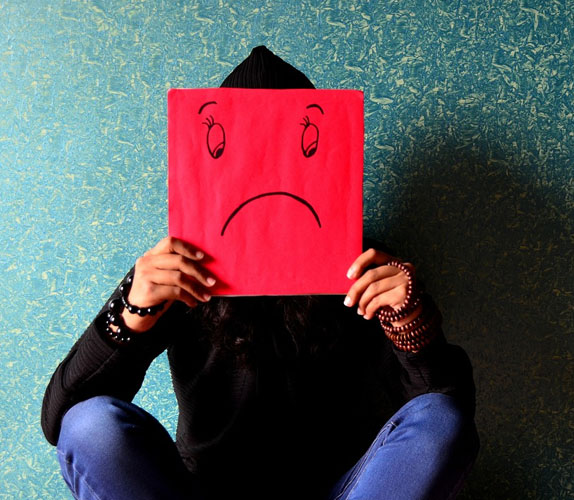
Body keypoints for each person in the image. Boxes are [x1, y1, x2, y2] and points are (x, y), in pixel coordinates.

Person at [41, 46, 478, 500]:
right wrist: (133, 309)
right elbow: (62, 422)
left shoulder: (363, 266)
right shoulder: (182, 268)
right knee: (90, 425)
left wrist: (411, 320)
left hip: (340, 490)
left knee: (440, 419)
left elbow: (446, 422)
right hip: (202, 492)